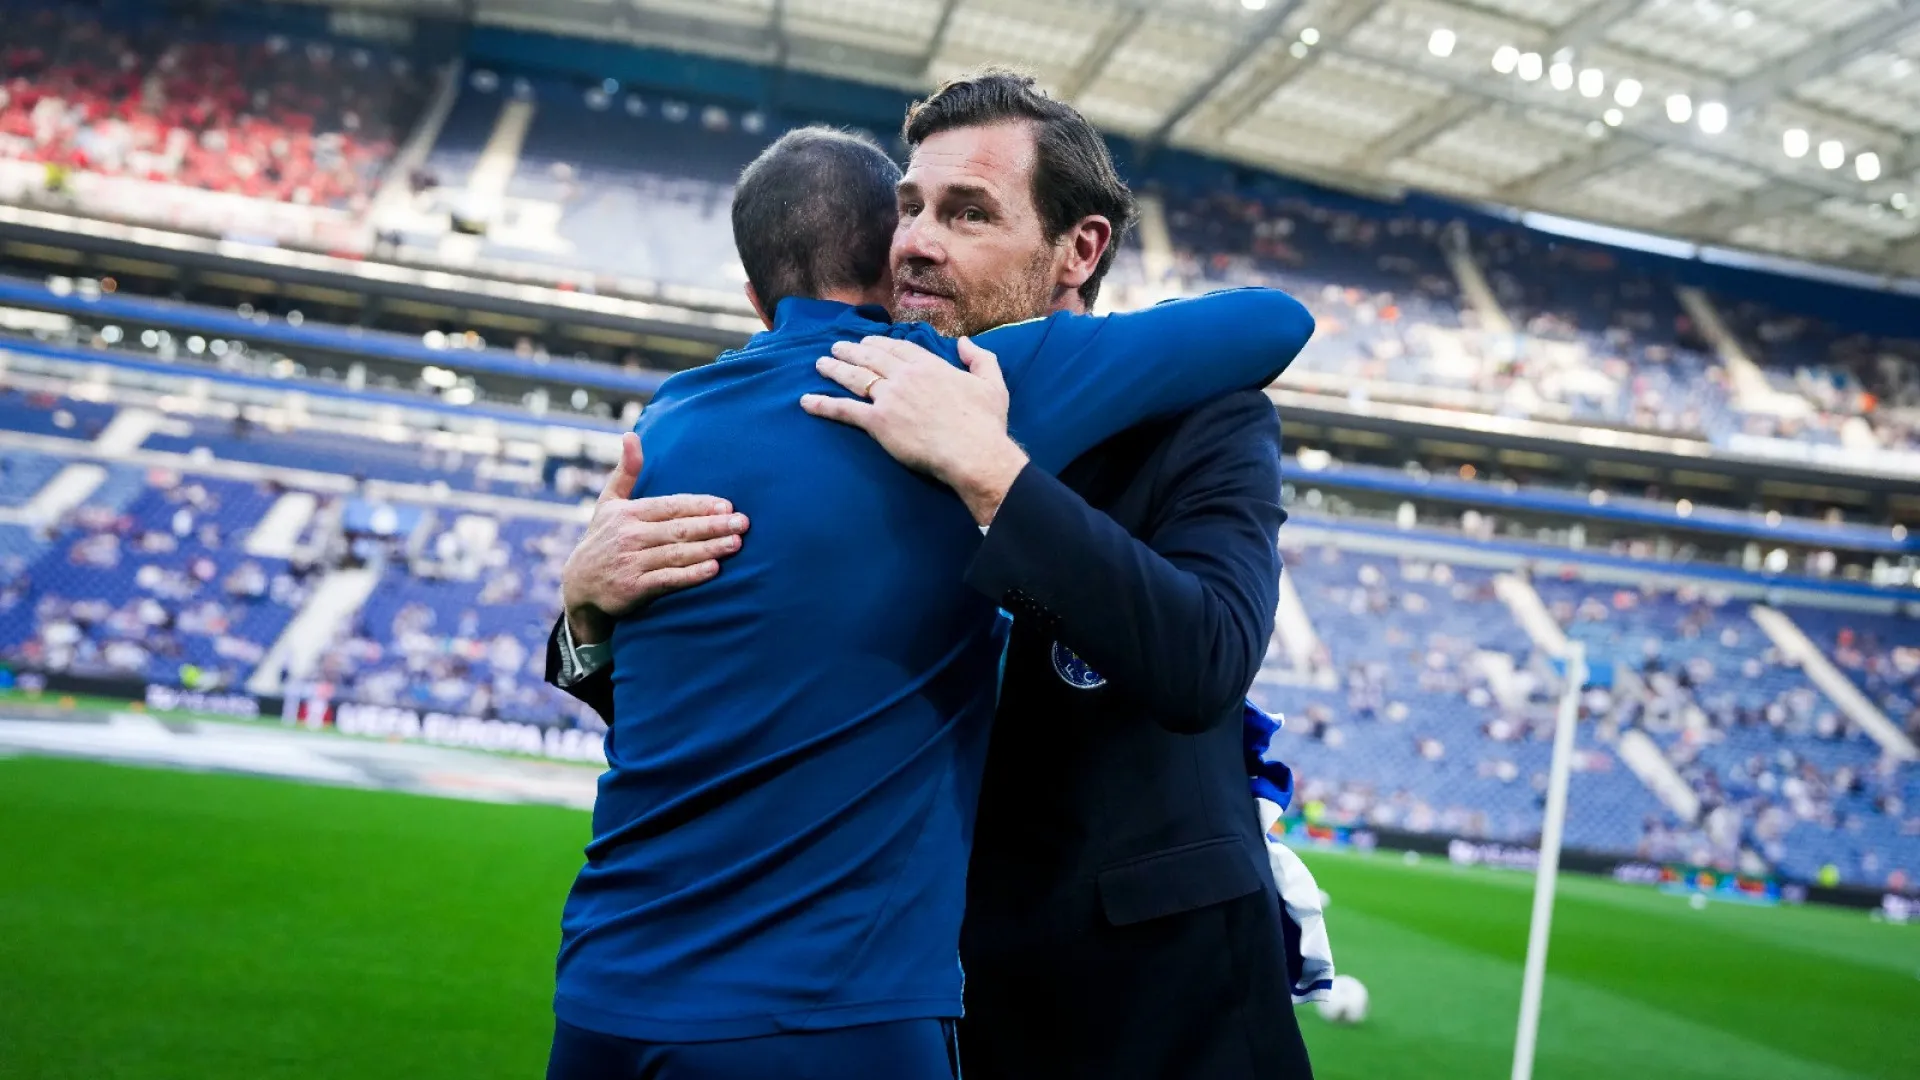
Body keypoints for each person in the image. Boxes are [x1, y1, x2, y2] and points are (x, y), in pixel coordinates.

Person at [552, 72, 1319, 1079]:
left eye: (966, 214)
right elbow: (731, 709)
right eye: (909, 206)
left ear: (1078, 250)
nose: (913, 240)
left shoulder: (1198, 420)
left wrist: (990, 474)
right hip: (906, 999)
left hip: (1134, 1006)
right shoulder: (840, 406)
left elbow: (1204, 659)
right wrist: (583, 614)